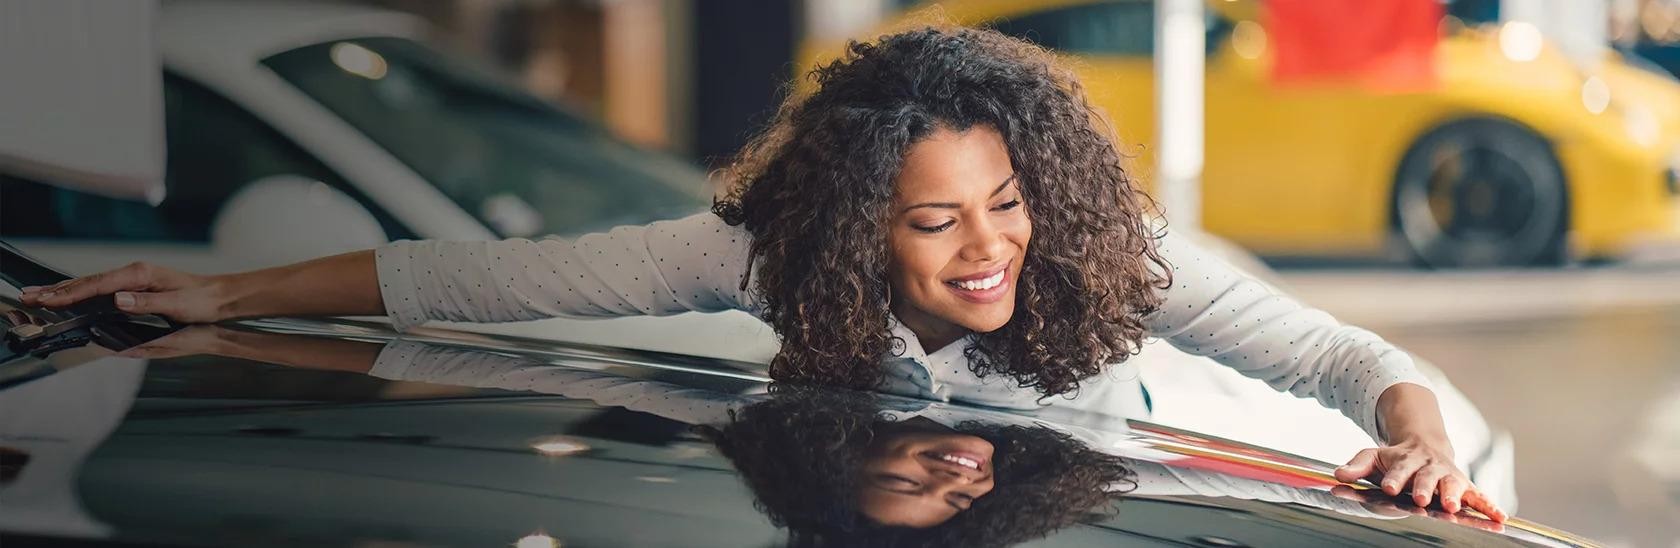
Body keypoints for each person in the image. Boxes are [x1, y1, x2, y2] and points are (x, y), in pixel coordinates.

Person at [15, 26, 1505, 521]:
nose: (989, 248)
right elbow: (483, 284)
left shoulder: (1102, 257)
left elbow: (1334, 355)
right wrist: (219, 300)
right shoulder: (756, 256)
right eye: (936, 223)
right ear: (858, 224)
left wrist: (1420, 447)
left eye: (1005, 202)